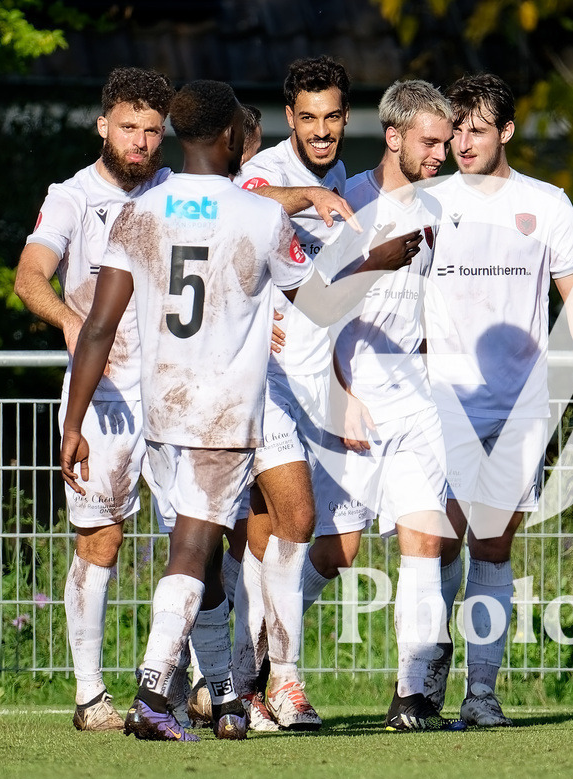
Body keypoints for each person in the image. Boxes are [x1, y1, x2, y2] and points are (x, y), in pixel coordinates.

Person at [59, 79, 420, 742]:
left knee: (200, 546)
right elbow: (317, 302)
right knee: (198, 549)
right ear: (230, 137)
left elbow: (99, 325)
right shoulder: (259, 217)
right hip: (225, 408)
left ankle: (225, 698)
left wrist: (73, 420)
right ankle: (154, 686)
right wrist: (381, 261)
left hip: (159, 408)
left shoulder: (141, 212)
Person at [422, 73, 573, 727]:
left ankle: (481, 694)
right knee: (438, 538)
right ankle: (425, 667)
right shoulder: (428, 202)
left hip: (519, 402)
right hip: (442, 395)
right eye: (455, 129)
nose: (462, 141)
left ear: (506, 130)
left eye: (476, 128)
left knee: (493, 546)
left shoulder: (547, 203)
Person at [13, 67, 176, 732]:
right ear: (103, 124)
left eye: (152, 130)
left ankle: (195, 684)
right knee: (101, 539)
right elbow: (28, 278)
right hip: (103, 394)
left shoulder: (182, 193)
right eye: (129, 126)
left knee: (194, 539)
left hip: (178, 393)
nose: (140, 141)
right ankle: (89, 695)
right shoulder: (72, 196)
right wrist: (70, 320)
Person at [305, 78, 466, 732]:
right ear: (394, 135)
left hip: (412, 392)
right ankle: (253, 666)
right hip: (349, 387)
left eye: (446, 142)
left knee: (424, 536)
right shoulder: (352, 208)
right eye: (430, 142)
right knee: (333, 550)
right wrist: (341, 393)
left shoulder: (439, 207)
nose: (441, 154)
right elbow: (318, 307)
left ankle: (412, 693)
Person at [226, 56, 354, 731]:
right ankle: (284, 681)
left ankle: (235, 678)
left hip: (319, 388)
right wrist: (307, 199)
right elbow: (242, 207)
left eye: (332, 116)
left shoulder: (345, 177)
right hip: (264, 383)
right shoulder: (273, 171)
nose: (322, 129)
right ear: (290, 120)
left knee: (287, 542)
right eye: (309, 117)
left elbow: (331, 297)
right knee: (296, 521)